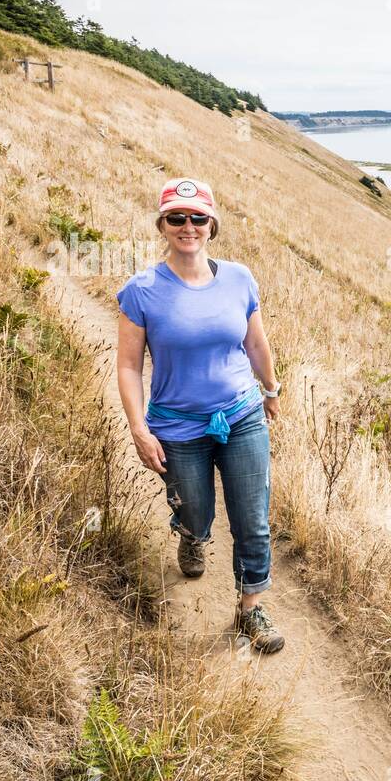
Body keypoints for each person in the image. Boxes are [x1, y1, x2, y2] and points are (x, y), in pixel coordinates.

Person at [115, 178, 285, 653]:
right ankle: (192, 537)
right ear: (162, 224)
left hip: (241, 414)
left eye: (197, 218)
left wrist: (269, 389)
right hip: (177, 427)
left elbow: (255, 342)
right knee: (195, 511)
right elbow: (129, 366)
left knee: (252, 518)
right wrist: (138, 429)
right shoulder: (142, 291)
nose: (187, 226)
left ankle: (251, 610)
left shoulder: (238, 278)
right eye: (176, 217)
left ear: (212, 224)